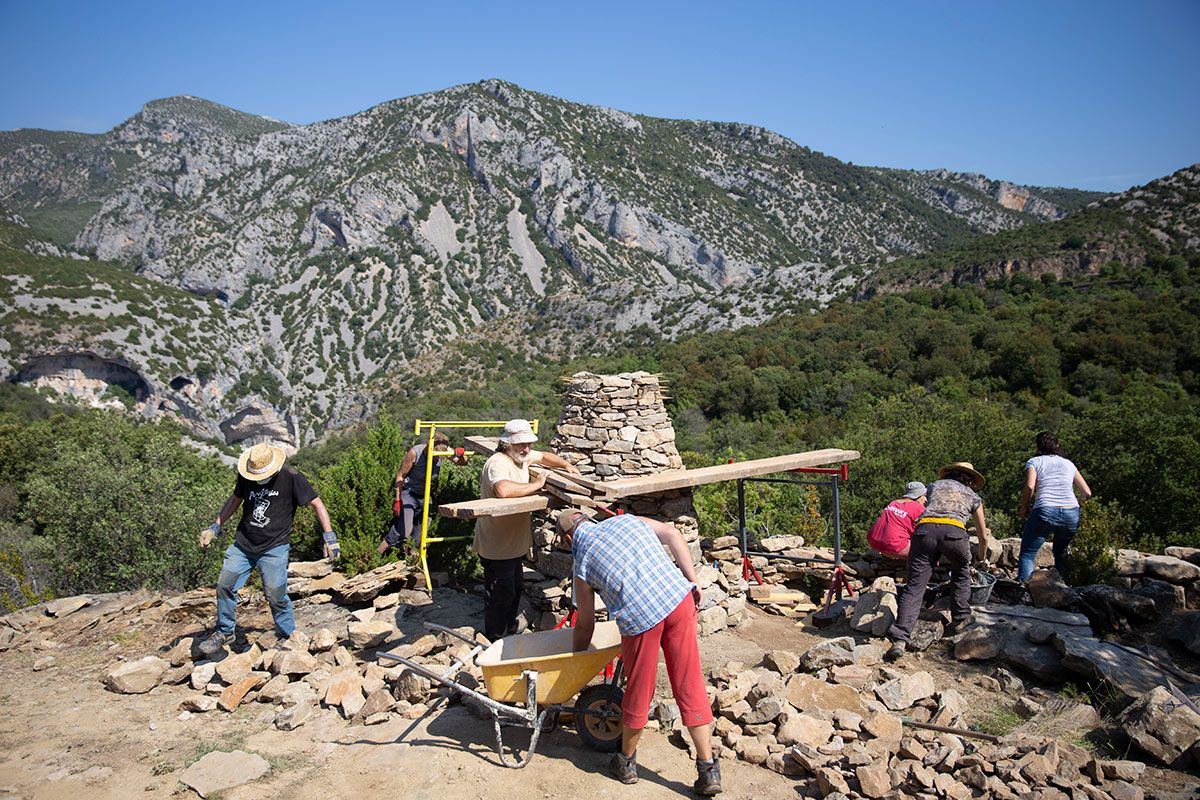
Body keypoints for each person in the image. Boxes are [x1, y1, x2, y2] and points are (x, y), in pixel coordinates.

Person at [558, 508, 721, 796]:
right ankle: (708, 769)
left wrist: (574, 663)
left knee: (639, 690)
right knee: (689, 682)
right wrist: (693, 580)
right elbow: (673, 533)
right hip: (679, 599)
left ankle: (626, 762)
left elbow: (585, 625)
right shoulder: (626, 520)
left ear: (569, 540)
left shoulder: (582, 563)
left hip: (641, 618)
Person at [197, 442, 338, 655]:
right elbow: (235, 500)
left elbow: (317, 504)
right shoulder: (246, 475)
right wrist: (215, 526)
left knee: (275, 594)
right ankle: (224, 631)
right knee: (225, 585)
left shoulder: (291, 477)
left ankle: (288, 635)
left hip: (275, 546)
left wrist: (329, 536)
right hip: (244, 544)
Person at [473, 419, 580, 641]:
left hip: (513, 544)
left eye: (529, 444)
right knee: (499, 594)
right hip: (496, 545)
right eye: (522, 444)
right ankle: (496, 638)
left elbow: (544, 456)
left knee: (513, 589)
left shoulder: (521, 456)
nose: (527, 448)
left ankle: (509, 629)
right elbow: (503, 490)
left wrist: (565, 465)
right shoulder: (497, 463)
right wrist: (536, 485)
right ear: (507, 444)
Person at [886, 462, 989, 661]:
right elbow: (983, 535)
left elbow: (924, 509)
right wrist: (981, 556)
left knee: (915, 585)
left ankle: (900, 639)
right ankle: (960, 618)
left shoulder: (934, 486)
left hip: (925, 531)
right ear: (970, 480)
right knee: (961, 573)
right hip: (954, 534)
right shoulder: (973, 496)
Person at [1017, 431, 1093, 583]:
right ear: (1057, 445)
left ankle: (1024, 589)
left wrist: (1024, 507)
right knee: (1061, 552)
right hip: (1071, 511)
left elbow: (1030, 486)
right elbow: (1087, 492)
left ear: (1038, 447)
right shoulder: (1069, 464)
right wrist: (1077, 505)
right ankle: (1064, 588)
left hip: (1045, 508)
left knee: (1028, 554)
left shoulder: (1034, 462)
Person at [377, 432, 468, 555]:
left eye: (438, 457)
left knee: (421, 533)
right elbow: (400, 476)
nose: (436, 458)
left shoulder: (443, 449)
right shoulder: (415, 453)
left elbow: (462, 462)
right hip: (409, 493)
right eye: (435, 455)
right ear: (429, 447)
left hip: (425, 496)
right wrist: (397, 500)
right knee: (404, 530)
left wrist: (461, 455)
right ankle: (377, 553)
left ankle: (411, 559)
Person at [866, 481, 927, 559]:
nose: (926, 499)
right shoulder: (919, 508)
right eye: (924, 495)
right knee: (929, 550)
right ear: (918, 496)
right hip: (894, 546)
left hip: (874, 541)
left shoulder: (894, 503)